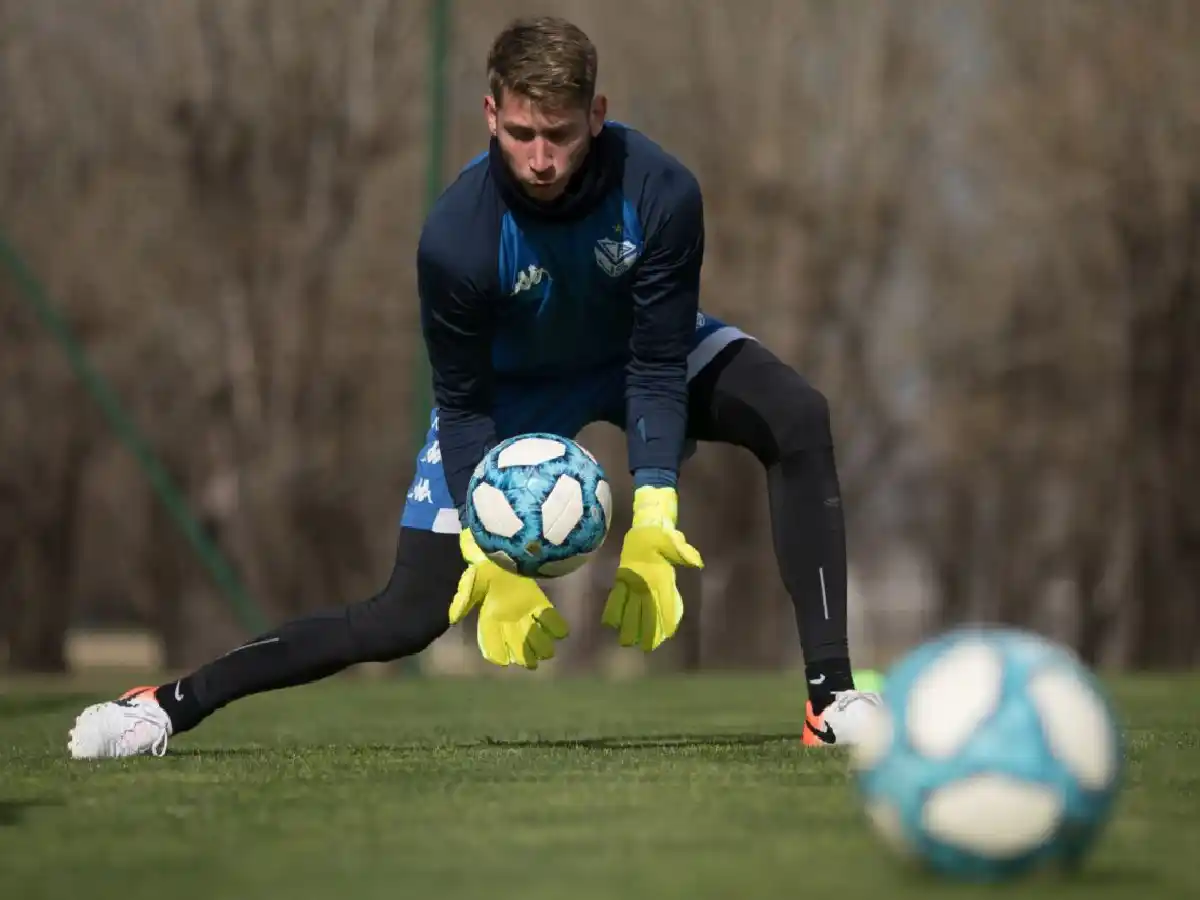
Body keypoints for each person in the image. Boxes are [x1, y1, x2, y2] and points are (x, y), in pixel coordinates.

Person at [67, 16, 880, 760]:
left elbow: (659, 365)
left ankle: (829, 699)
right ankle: (168, 705)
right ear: (490, 114)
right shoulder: (456, 238)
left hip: (635, 353)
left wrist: (655, 505)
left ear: (597, 115)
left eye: (560, 134)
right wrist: (490, 560)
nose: (540, 158)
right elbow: (460, 405)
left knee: (796, 416)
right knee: (405, 616)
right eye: (521, 132)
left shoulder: (661, 192)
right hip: (509, 393)